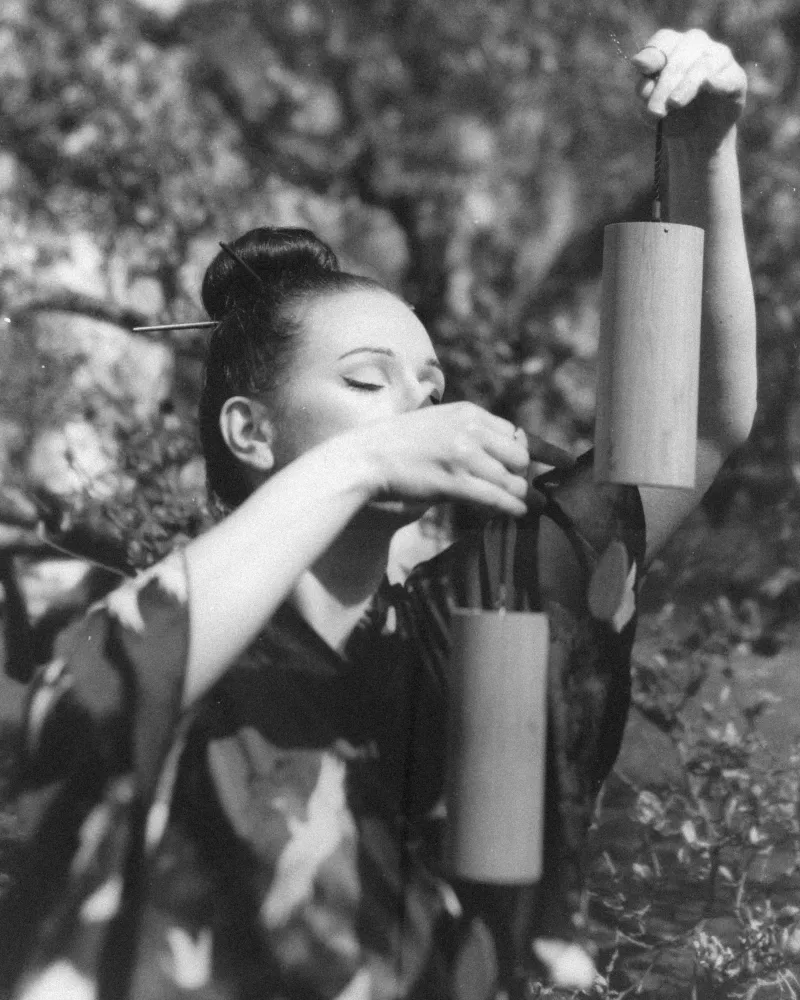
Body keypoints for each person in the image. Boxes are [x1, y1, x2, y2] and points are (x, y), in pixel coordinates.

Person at [0, 27, 755, 1000]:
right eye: (367, 380)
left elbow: (696, 417)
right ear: (250, 430)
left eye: (430, 383)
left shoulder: (483, 615)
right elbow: (87, 700)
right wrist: (356, 465)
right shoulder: (107, 607)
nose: (419, 405)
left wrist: (700, 151)